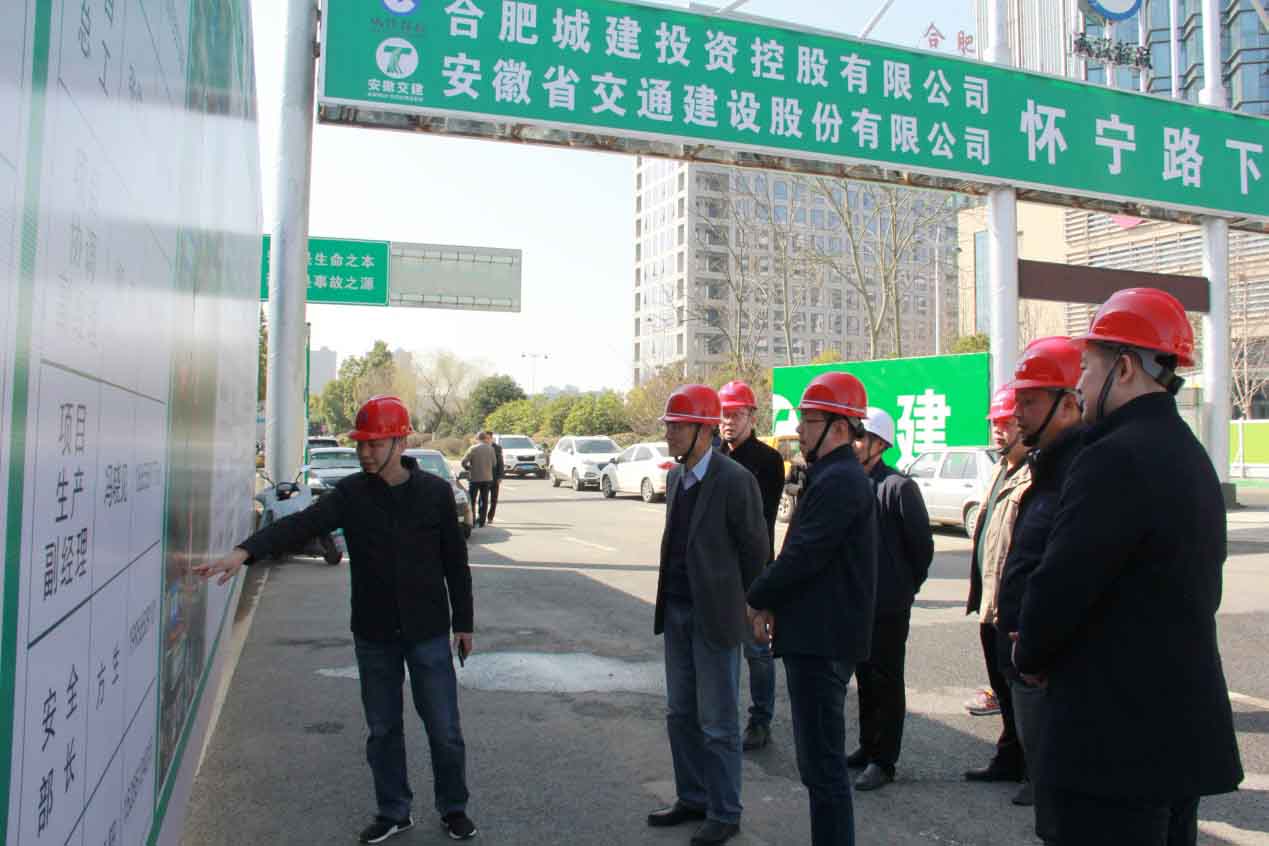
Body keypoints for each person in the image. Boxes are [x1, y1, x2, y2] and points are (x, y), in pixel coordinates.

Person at [1013, 289, 1243, 845]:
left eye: (1087, 368)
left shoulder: (1112, 457)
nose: (1080, 385)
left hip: (1112, 741)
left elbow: (1064, 580)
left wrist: (1031, 653)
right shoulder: (1188, 453)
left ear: (1123, 368)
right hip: (1174, 734)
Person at [193, 396, 477, 843]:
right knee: (382, 730)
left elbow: (455, 563)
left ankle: (453, 808)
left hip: (426, 631)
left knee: (444, 729)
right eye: (361, 444)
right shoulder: (351, 495)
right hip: (374, 633)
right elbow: (298, 525)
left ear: (400, 442)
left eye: (374, 443)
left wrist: (464, 623)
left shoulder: (435, 494)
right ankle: (394, 811)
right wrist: (244, 552)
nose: (364, 453)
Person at [746, 371, 877, 846]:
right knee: (819, 767)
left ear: (840, 427)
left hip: (823, 642)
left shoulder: (840, 481)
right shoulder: (830, 475)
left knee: (823, 770)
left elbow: (804, 555)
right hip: (817, 636)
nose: (799, 430)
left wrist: (758, 596)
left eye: (809, 420)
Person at [648, 384, 769, 846]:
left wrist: (755, 606)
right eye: (668, 426)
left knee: (718, 722)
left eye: (677, 427)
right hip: (677, 611)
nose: (669, 435)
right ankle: (693, 797)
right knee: (680, 713)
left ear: (703, 430)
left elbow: (755, 551)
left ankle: (725, 810)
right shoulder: (676, 479)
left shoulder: (735, 480)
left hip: (715, 616)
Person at [993, 337, 1086, 840]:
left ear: (1069, 405)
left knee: (1066, 811)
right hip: (1029, 661)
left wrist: (1035, 646)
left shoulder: (1083, 475)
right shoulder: (1048, 469)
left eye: (1029, 402)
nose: (1017, 414)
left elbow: (1069, 578)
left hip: (1053, 676)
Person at [847, 407, 933, 792]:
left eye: (860, 438)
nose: (854, 444)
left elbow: (922, 547)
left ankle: (885, 760)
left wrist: (905, 587)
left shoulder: (898, 487)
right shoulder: (852, 484)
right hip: (858, 602)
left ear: (880, 444)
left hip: (889, 606)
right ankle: (868, 746)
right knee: (864, 678)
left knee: (886, 680)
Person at [963, 386, 1031, 790]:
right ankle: (1009, 758)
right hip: (991, 603)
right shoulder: (999, 469)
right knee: (1003, 687)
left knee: (1024, 692)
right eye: (995, 423)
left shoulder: (1035, 476)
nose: (998, 430)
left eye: (1006, 423)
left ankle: (1035, 771)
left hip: (1014, 606)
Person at [717, 379, 786, 752]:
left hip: (754, 570)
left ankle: (760, 720)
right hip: (717, 572)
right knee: (720, 649)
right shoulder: (712, 454)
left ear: (752, 417)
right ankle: (722, 716)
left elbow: (759, 520)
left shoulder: (767, 460)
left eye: (736, 415)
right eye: (724, 414)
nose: (728, 422)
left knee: (757, 651)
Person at [461, 433, 496, 528]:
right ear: (485, 439)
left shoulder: (473, 448)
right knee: (484, 500)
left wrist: (468, 468)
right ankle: (482, 521)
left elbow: (463, 462)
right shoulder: (491, 449)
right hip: (487, 478)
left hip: (475, 478)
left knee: (472, 500)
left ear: (478, 439)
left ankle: (471, 520)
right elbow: (494, 463)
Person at [486, 431, 505, 524]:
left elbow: (500, 463)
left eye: (489, 438)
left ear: (491, 438)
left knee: (494, 499)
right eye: (485, 438)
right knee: (483, 498)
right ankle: (481, 516)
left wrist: (500, 476)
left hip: (494, 477)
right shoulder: (480, 447)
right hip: (484, 477)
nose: (487, 440)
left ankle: (490, 517)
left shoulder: (497, 448)